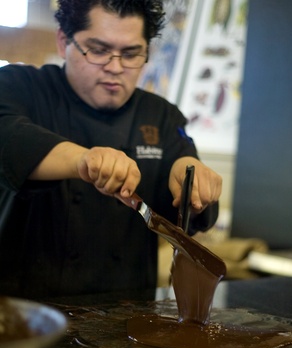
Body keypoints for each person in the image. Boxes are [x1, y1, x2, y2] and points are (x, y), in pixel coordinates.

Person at [0, 0, 222, 299]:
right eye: (99, 50)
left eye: (131, 54)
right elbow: (8, 136)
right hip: (25, 318)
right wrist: (84, 159)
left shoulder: (160, 115)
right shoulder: (20, 86)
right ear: (64, 41)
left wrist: (195, 184)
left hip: (127, 319)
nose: (115, 67)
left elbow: (187, 193)